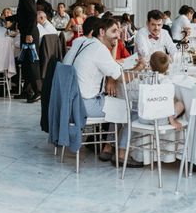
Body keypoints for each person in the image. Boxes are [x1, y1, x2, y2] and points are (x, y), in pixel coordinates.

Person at [63, 17, 145, 167]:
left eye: (119, 32)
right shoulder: (99, 50)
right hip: (84, 105)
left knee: (117, 104)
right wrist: (139, 68)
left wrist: (110, 77)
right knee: (131, 109)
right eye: (114, 31)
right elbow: (123, 78)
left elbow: (107, 67)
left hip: (68, 101)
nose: (118, 36)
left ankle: (108, 147)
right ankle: (121, 154)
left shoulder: (82, 42)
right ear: (101, 32)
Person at [10, 0, 41, 103]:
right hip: (27, 34)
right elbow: (22, 16)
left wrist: (28, 34)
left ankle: (38, 91)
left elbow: (33, 15)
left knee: (31, 61)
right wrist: (7, 18)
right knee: (26, 63)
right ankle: (27, 91)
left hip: (30, 35)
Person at [140, 52, 185, 130]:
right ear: (167, 68)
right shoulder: (166, 81)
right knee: (180, 104)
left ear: (150, 66)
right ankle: (171, 118)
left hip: (144, 118)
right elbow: (168, 102)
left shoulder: (145, 80)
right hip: (161, 120)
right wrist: (172, 121)